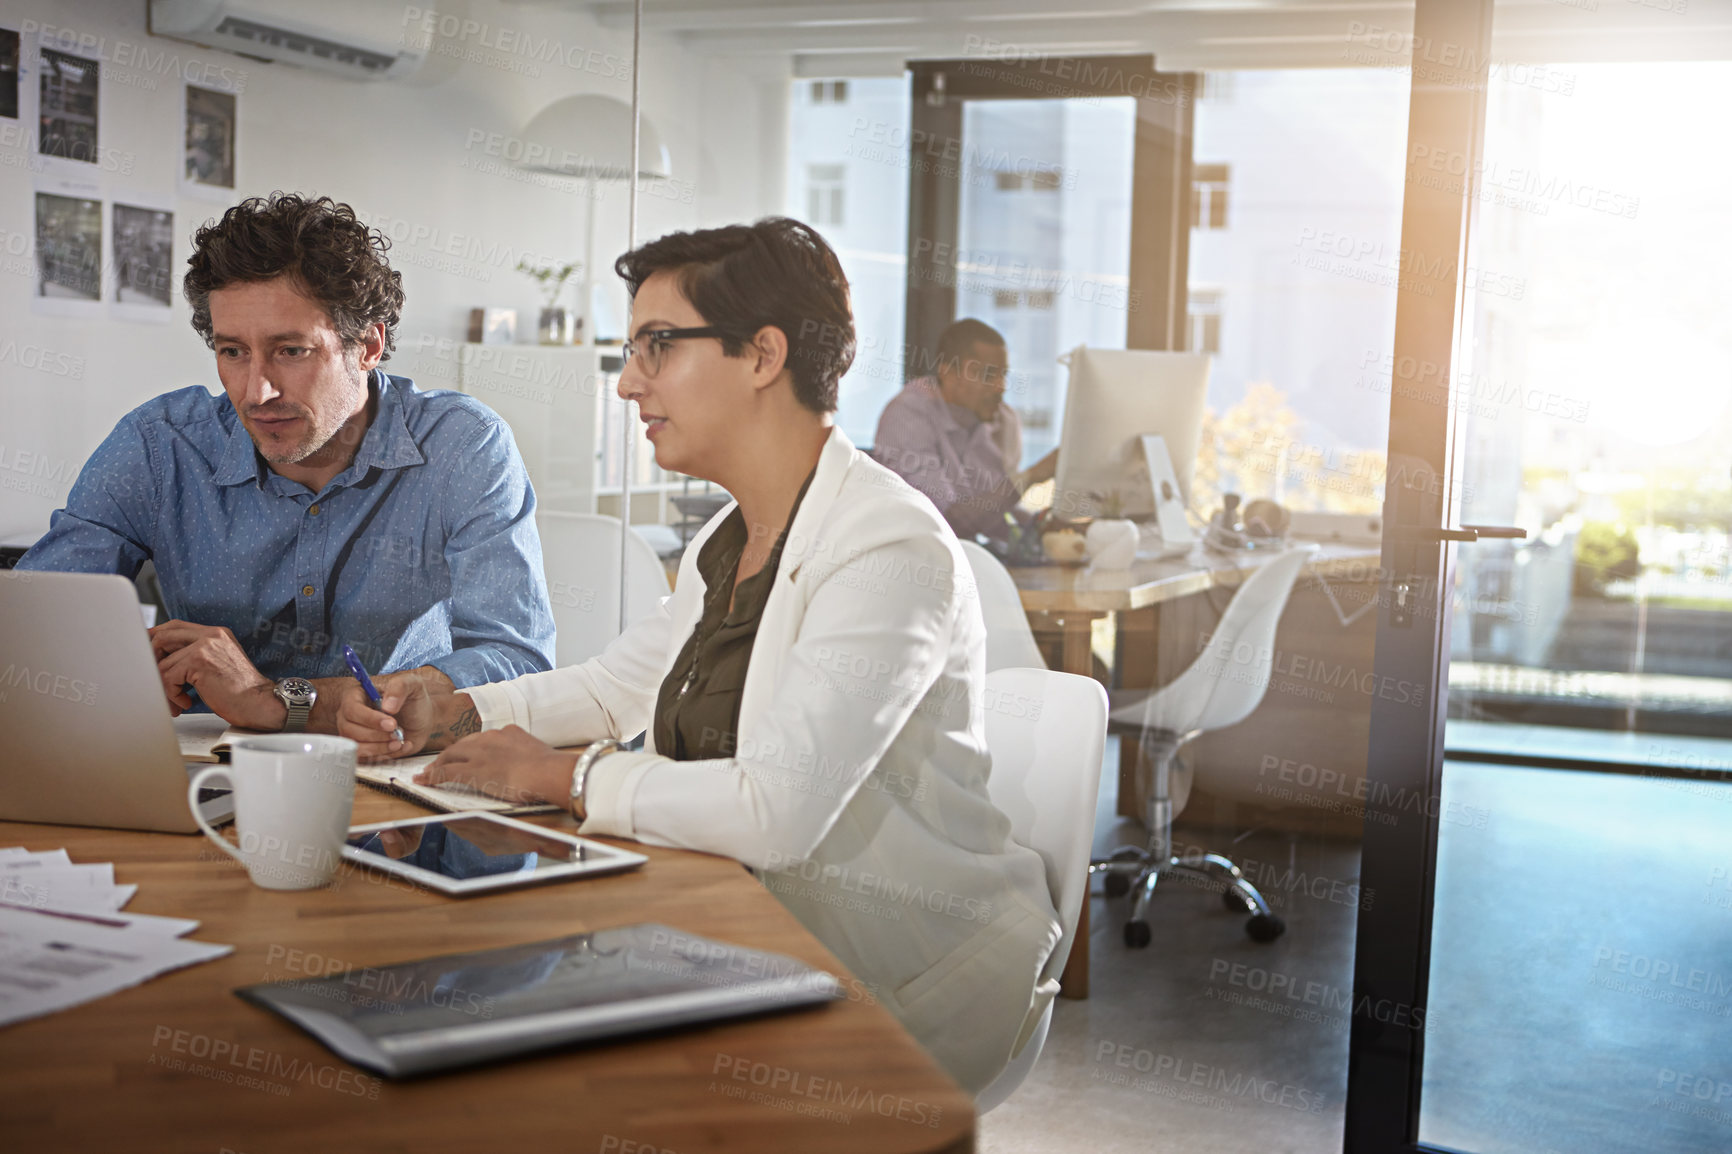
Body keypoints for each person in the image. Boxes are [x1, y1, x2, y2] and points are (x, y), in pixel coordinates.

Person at [338, 218, 1062, 1094]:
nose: (628, 384)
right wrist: (463, 709)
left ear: (763, 355)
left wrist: (565, 780)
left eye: (657, 347)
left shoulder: (888, 547)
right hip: (744, 941)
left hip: (907, 986)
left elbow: (778, 807)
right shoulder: (734, 535)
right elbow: (617, 692)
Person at [18, 193, 555, 733]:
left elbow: (517, 665)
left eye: (291, 351)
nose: (258, 391)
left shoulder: (462, 446)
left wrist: (278, 700)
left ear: (367, 345)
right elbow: (31, 628)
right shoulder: (160, 446)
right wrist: (123, 669)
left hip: (395, 771)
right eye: (233, 352)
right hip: (204, 770)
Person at [872, 318, 1057, 540]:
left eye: (1003, 374)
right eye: (987, 375)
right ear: (948, 374)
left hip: (967, 561)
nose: (1001, 387)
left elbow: (992, 514)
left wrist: (1043, 528)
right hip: (915, 559)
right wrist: (1031, 476)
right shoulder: (907, 415)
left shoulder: (1003, 420)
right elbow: (948, 524)